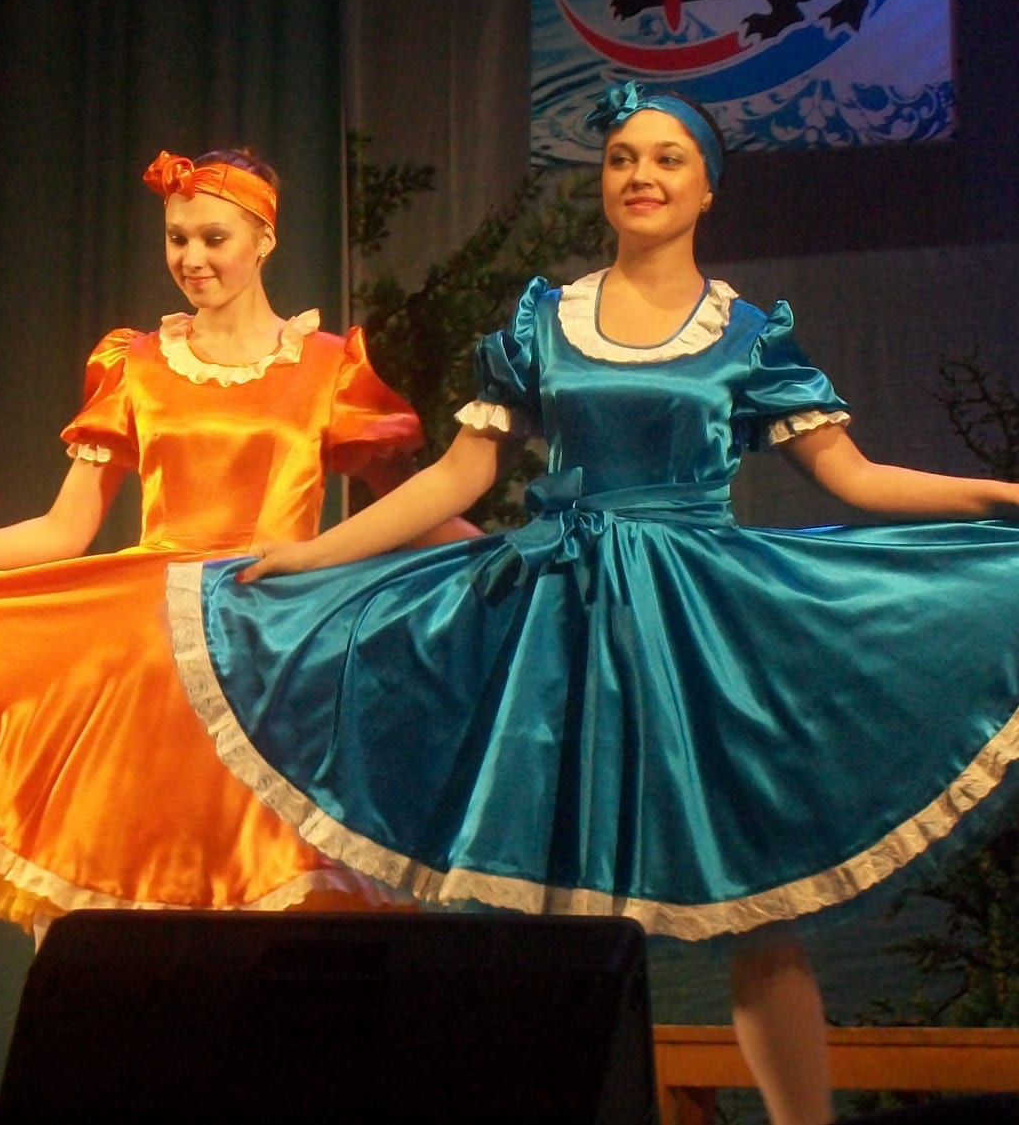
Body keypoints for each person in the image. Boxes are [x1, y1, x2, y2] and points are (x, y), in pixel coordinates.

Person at [169, 82, 1019, 1125]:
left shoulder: (750, 336)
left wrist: (1005, 496)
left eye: (667, 159)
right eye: (622, 158)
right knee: (540, 912)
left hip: (700, 629)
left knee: (760, 915)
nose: (641, 176)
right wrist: (313, 552)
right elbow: (458, 475)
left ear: (706, 188)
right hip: (560, 621)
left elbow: (858, 478)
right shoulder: (546, 320)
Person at [0, 148, 473, 933]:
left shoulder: (329, 367)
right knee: (117, 890)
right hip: (148, 650)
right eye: (177, 238)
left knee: (269, 890)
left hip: (274, 649)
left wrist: (514, 560)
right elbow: (62, 529)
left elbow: (415, 507)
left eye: (214, 238)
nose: (192, 258)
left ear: (265, 239)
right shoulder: (136, 364)